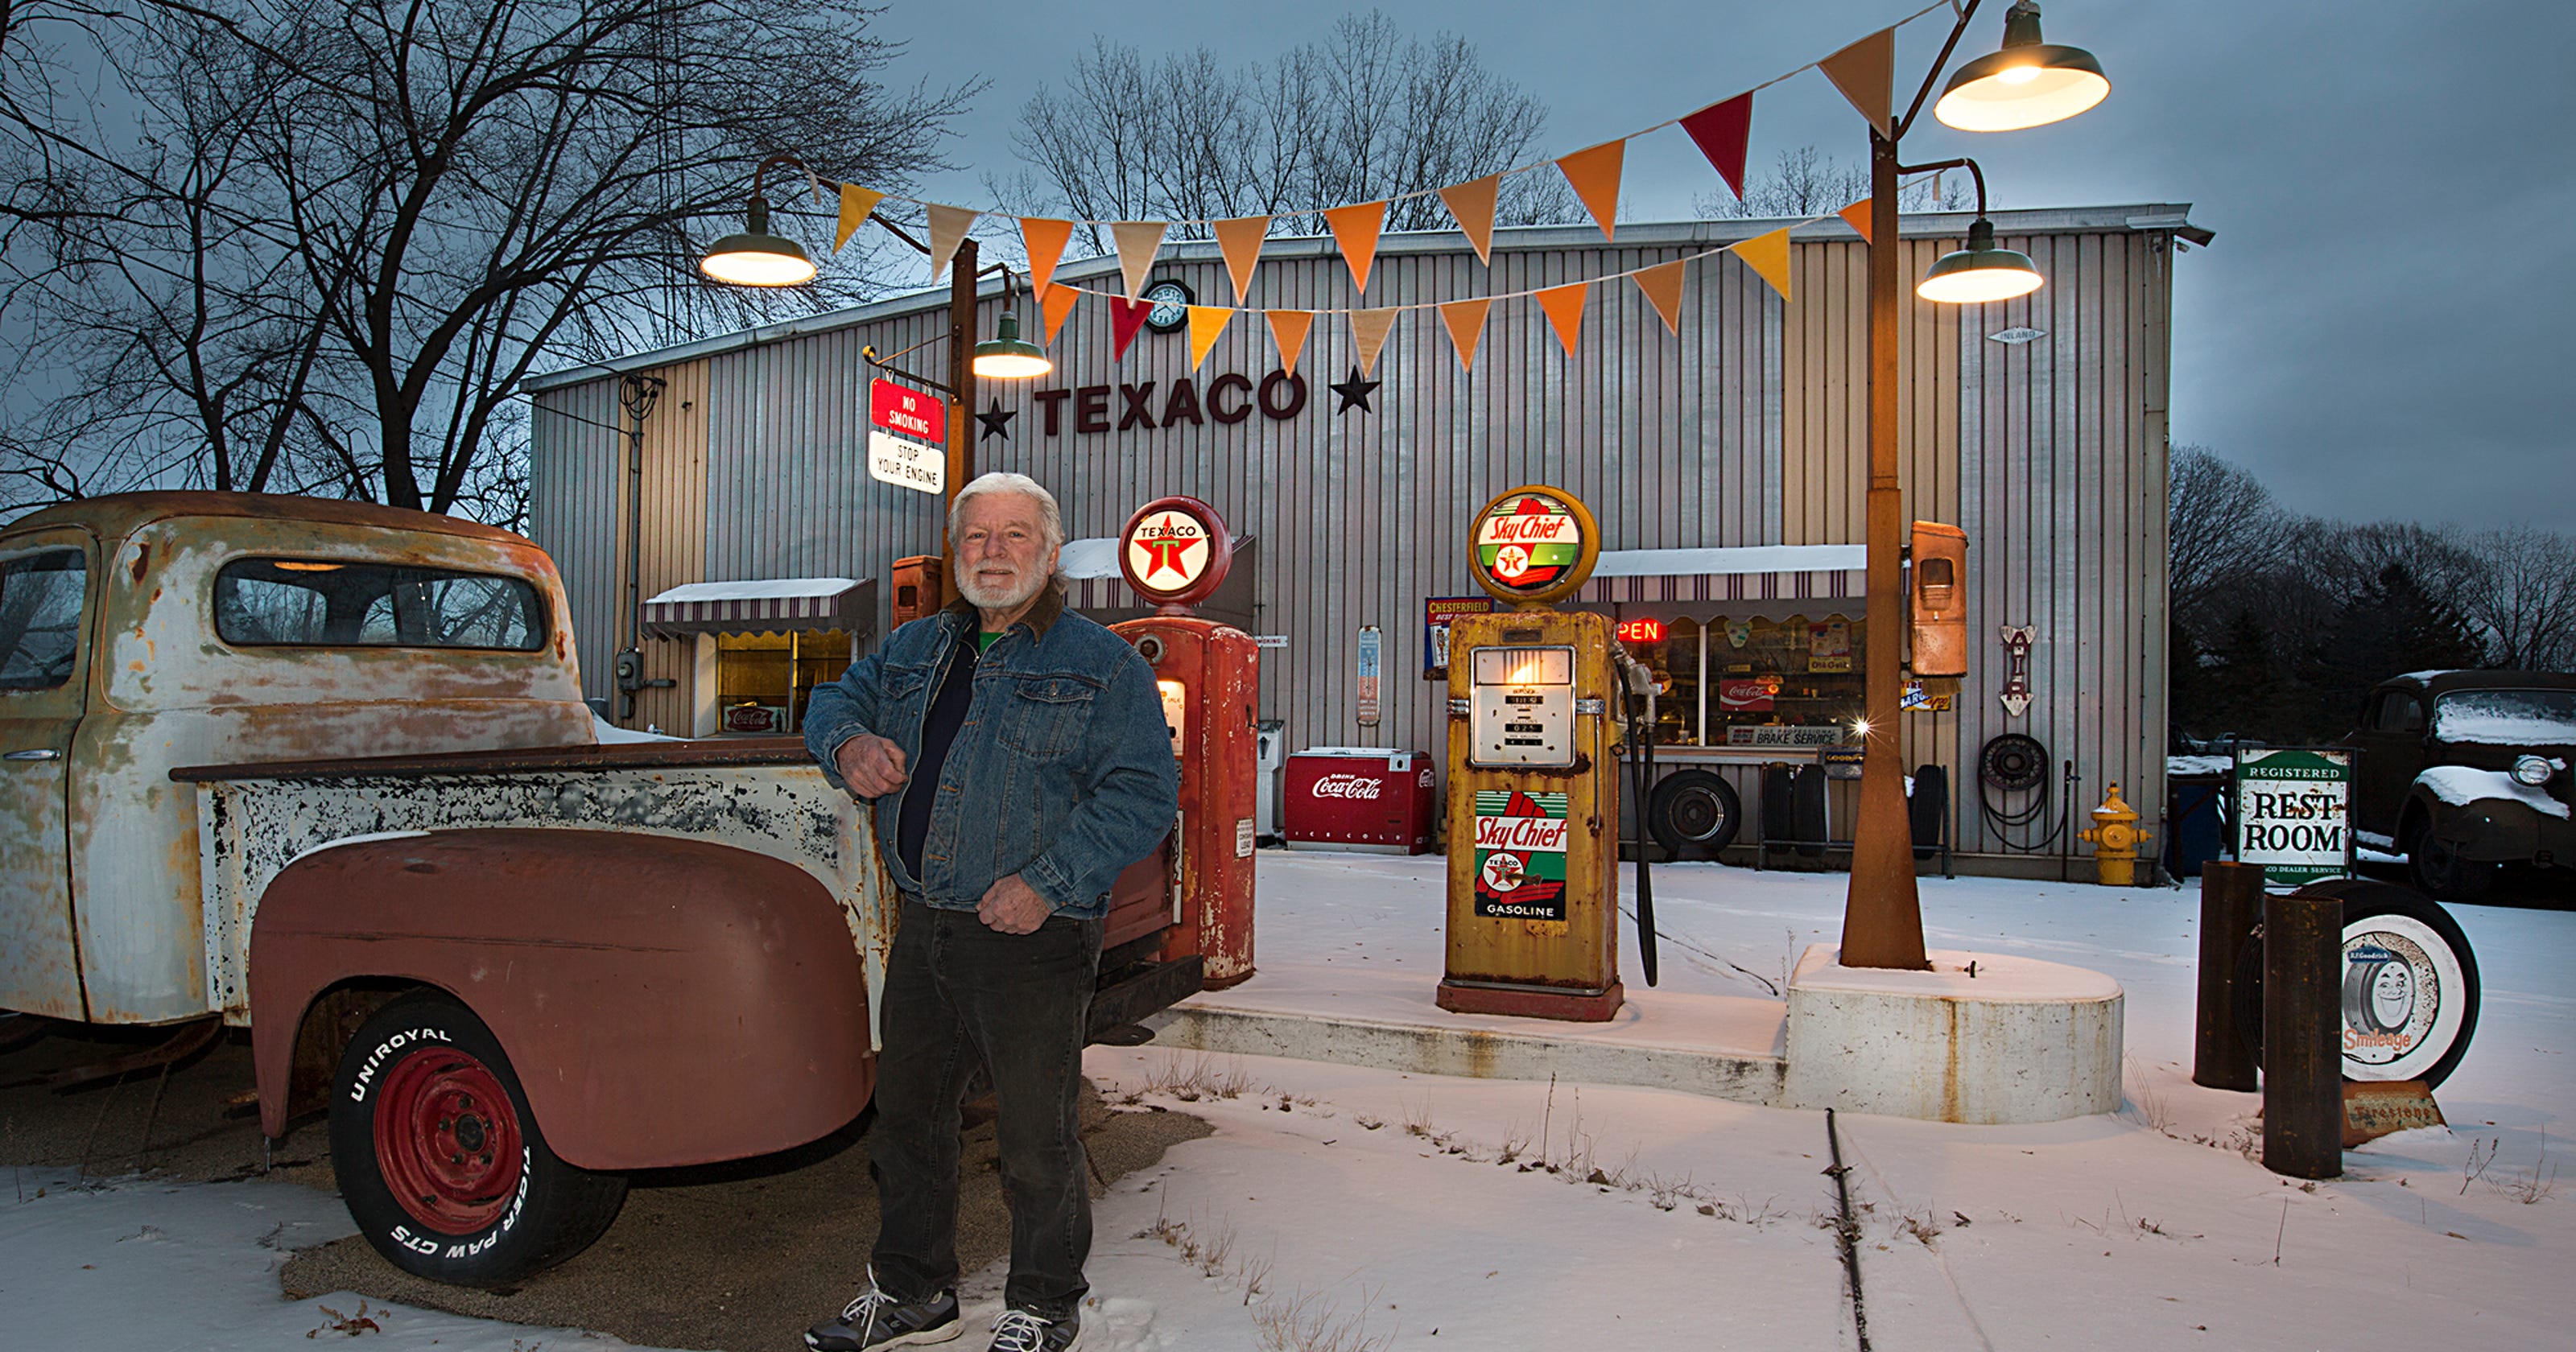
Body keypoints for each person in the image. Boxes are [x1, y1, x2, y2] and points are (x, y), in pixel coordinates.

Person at [801, 472, 1177, 1352]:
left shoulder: (1101, 662)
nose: (993, 552)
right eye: (976, 537)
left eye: (1014, 536)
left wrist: (1046, 880)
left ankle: (1045, 1304)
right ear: (954, 552)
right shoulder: (916, 646)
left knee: (1033, 1137)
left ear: (1048, 554)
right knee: (908, 1124)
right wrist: (848, 741)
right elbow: (835, 699)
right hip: (925, 920)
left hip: (1033, 934)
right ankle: (912, 1295)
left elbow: (1144, 793)